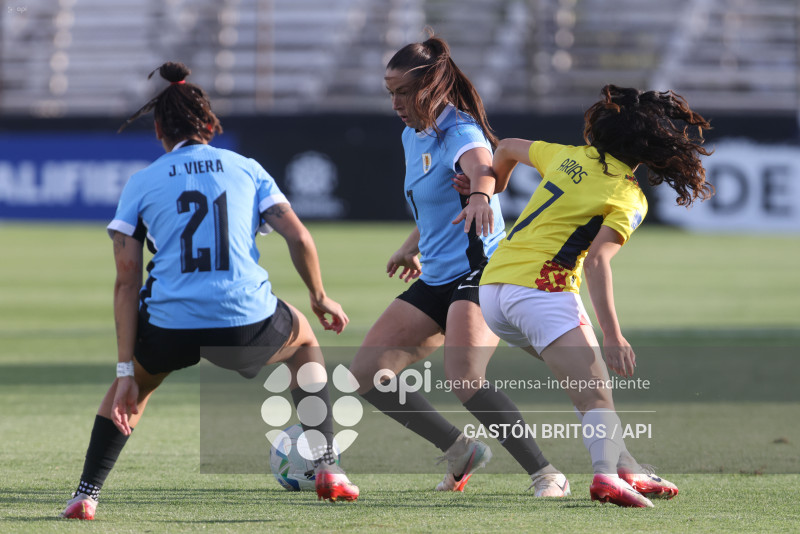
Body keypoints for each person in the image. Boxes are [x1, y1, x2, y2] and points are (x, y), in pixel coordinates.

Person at [61, 62, 358, 520]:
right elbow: (299, 237)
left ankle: (86, 495)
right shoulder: (246, 168)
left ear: (159, 128)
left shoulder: (142, 182)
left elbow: (126, 280)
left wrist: (125, 368)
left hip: (171, 325)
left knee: (135, 388)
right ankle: (327, 466)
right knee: (304, 343)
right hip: (247, 322)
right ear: (208, 123)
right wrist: (319, 297)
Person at [348, 32, 570, 496]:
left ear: (431, 86)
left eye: (403, 92)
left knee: (465, 378)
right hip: (437, 275)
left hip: (482, 272)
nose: (396, 103)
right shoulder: (414, 134)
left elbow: (482, 166)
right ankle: (459, 449)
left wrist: (481, 196)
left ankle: (545, 473)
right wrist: (413, 243)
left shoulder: (460, 130)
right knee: (367, 374)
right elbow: (435, 201)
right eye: (390, 93)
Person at [478, 84, 713, 507]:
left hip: (493, 292)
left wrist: (494, 189)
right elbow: (597, 262)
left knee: (587, 386)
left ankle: (628, 469)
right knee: (595, 393)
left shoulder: (570, 155)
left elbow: (507, 147)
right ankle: (606, 477)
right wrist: (613, 334)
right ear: (649, 147)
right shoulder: (628, 196)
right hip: (540, 294)